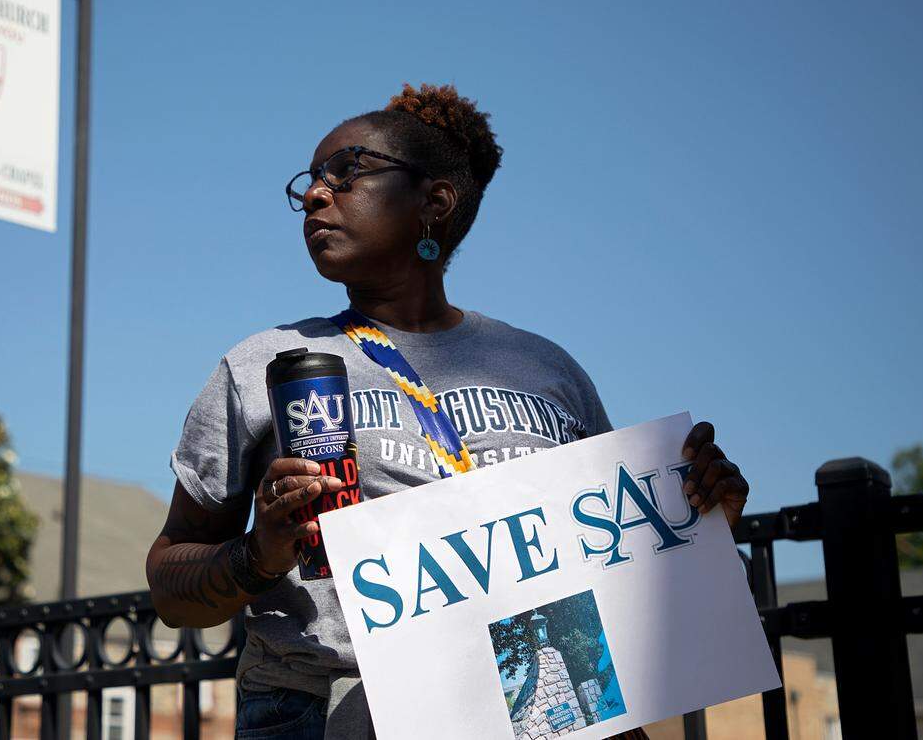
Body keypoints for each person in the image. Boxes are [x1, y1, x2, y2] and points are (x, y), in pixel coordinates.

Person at [146, 83, 750, 739]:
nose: (317, 195)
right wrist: (256, 555)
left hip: (530, 709)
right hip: (331, 713)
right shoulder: (263, 365)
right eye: (309, 184)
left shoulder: (547, 369)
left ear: (434, 201)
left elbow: (613, 579)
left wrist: (697, 515)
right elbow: (170, 578)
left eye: (346, 172)